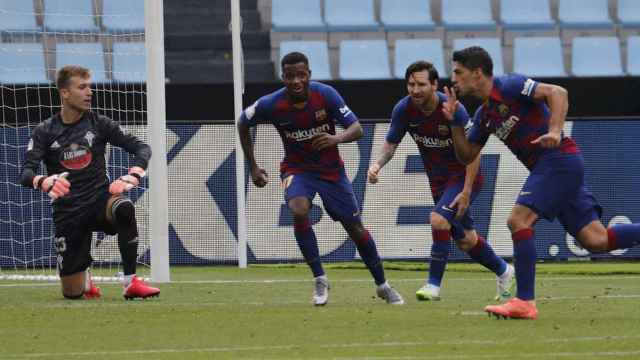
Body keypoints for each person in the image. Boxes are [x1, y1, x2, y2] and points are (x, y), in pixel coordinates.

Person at [443, 46, 640, 319]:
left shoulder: (509, 85)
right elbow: (467, 155)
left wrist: (555, 130)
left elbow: (557, 92)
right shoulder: (484, 116)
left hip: (559, 160)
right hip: (555, 169)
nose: (453, 78)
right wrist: (454, 122)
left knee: (518, 220)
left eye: (458, 72)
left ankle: (524, 301)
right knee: (596, 240)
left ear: (477, 73)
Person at [237, 52, 404, 306]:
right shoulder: (272, 104)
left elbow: (356, 128)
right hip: (297, 170)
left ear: (309, 75)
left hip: (331, 172)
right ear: (283, 77)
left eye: (301, 75)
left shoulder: (326, 95)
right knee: (298, 209)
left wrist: (336, 139)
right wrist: (253, 166)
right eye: (290, 76)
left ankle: (383, 285)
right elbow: (242, 122)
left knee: (355, 229)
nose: (295, 81)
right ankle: (319, 278)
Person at [367, 61, 514, 302]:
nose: (415, 90)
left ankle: (433, 285)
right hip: (438, 181)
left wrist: (466, 191)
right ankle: (504, 270)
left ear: (434, 85)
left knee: (438, 219)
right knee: (467, 241)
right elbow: (391, 144)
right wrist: (377, 165)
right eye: (411, 84)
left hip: (465, 177)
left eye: (421, 84)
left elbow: (473, 152)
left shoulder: (453, 109)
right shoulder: (404, 109)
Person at [19, 65, 160, 300]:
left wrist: (134, 174)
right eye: (82, 87)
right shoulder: (44, 131)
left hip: (98, 202)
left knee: (124, 207)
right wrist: (43, 181)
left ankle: (130, 282)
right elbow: (25, 173)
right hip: (68, 213)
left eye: (90, 87)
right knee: (73, 294)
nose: (89, 92)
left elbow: (142, 147)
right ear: (65, 93)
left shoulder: (99, 123)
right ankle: (83, 277)